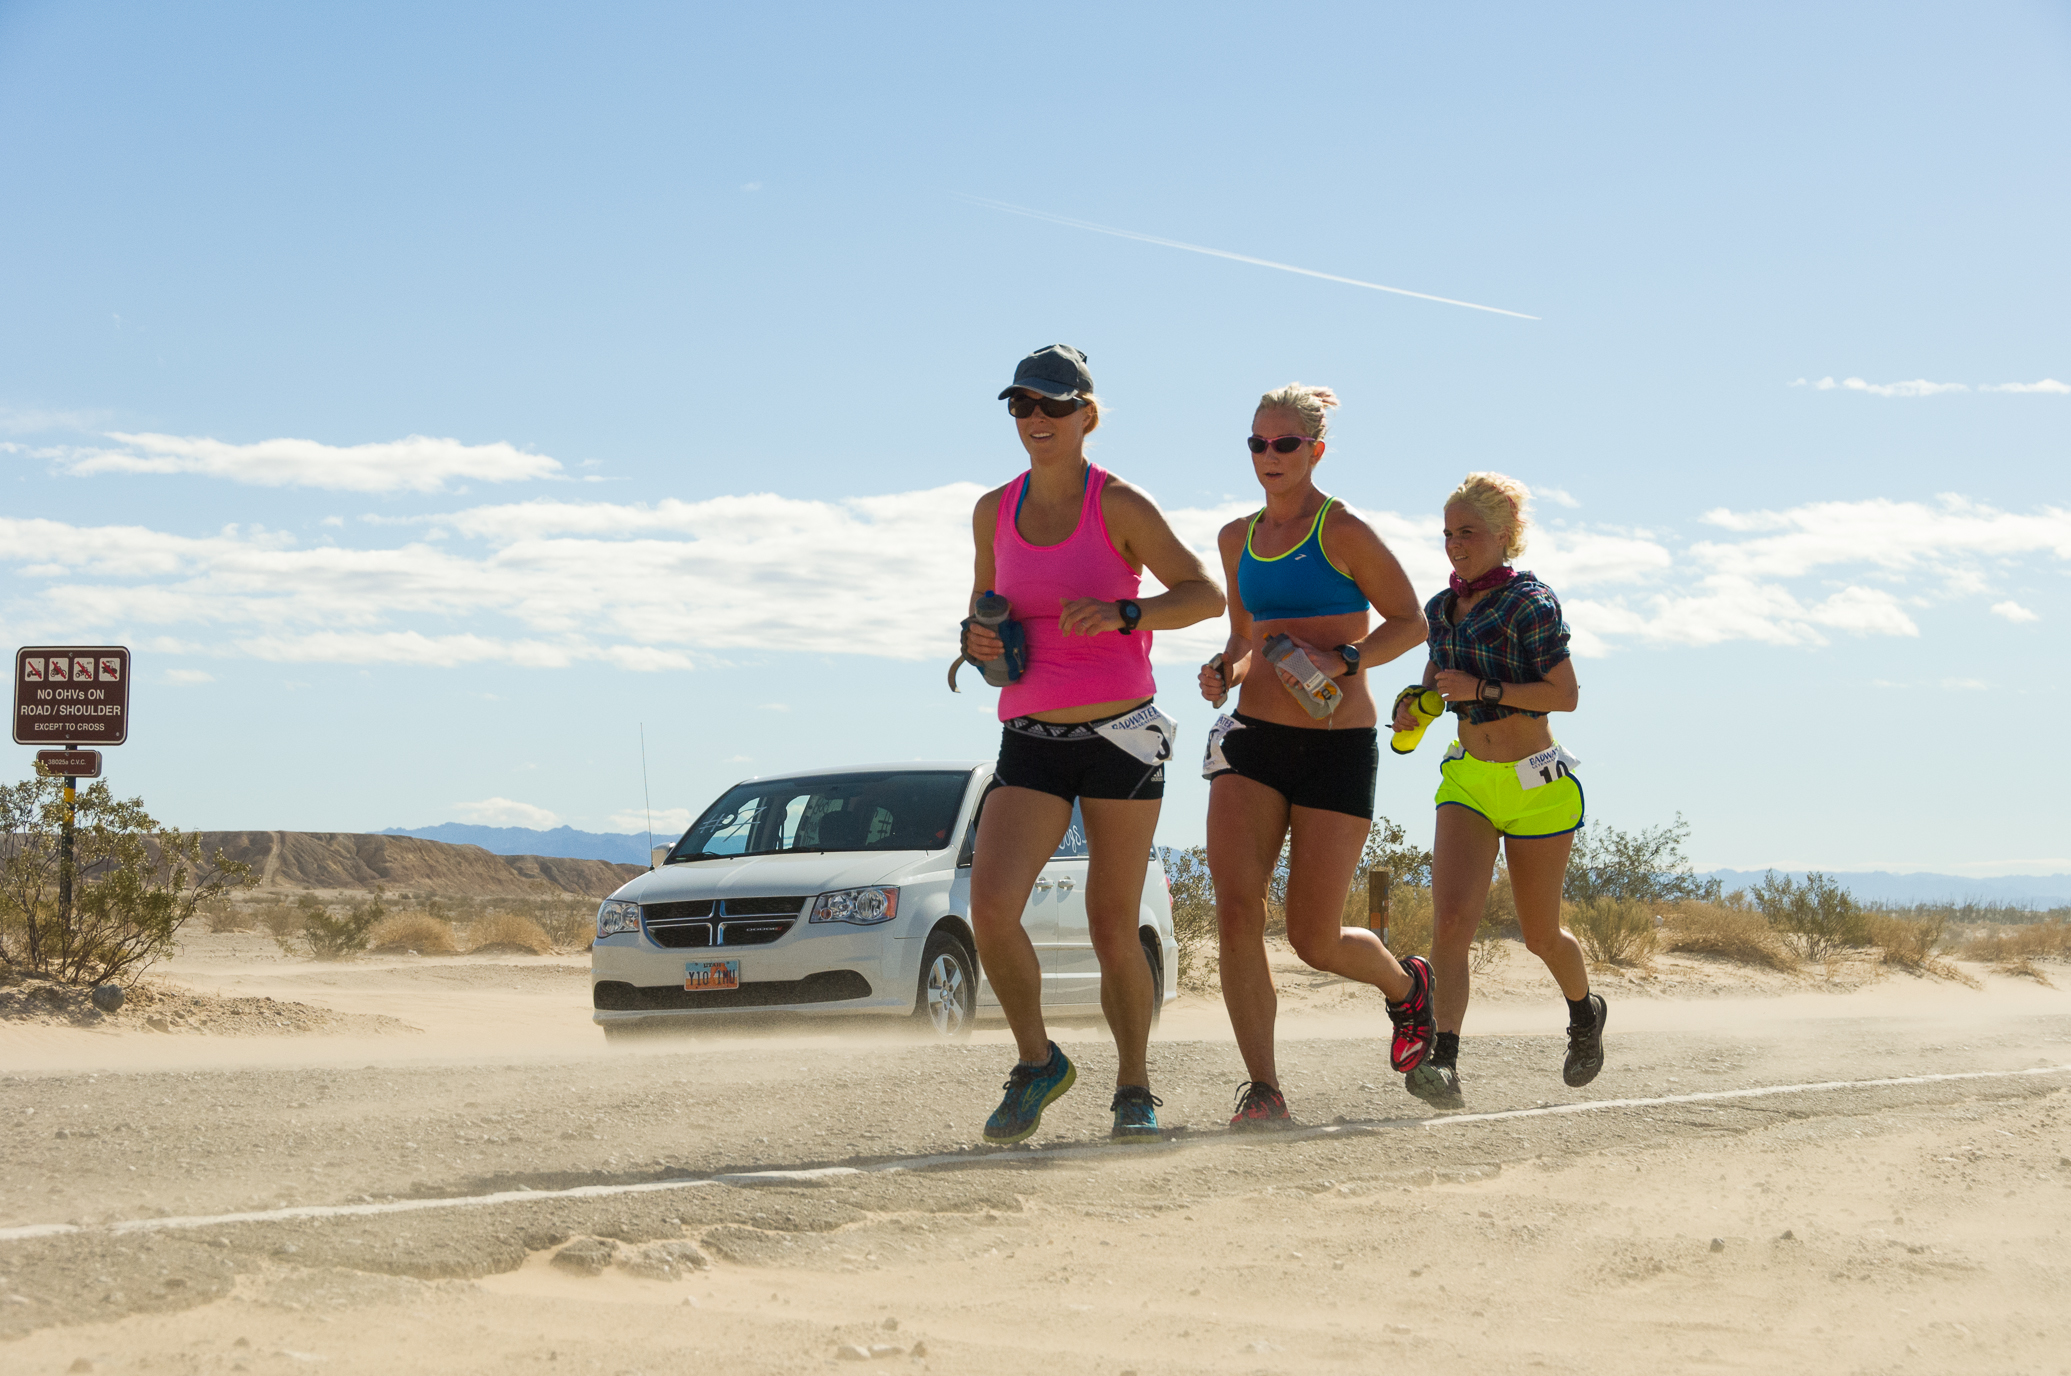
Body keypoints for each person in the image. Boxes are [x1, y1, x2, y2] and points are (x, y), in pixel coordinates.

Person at [962, 344, 1225, 1145]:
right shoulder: (990, 510)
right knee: (990, 907)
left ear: (1086, 414)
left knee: (1112, 919)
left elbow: (1203, 596)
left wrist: (1126, 615)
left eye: (1051, 405)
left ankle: (1134, 1090)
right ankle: (1038, 1062)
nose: (1035, 420)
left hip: (1119, 736)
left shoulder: (1120, 505)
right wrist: (979, 643)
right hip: (1030, 736)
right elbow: (984, 605)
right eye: (1021, 406)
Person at [1196, 384, 1436, 1130]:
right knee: (1236, 912)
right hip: (1251, 743)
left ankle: (1404, 990)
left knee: (1313, 939)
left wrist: (1346, 659)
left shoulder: (1343, 530)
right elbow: (1244, 638)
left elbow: (1411, 621)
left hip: (1336, 748)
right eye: (1257, 444)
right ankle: (1263, 1089)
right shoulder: (1235, 537)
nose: (1269, 457)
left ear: (1314, 451)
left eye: (1285, 445)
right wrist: (1223, 671)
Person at [1392, 472, 1599, 1106]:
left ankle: (1586, 1013)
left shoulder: (1530, 604)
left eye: (1468, 533)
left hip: (1538, 785)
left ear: (1504, 536)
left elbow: (1565, 697)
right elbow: (1434, 689)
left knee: (1540, 934)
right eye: (1447, 533)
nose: (1454, 545)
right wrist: (1413, 710)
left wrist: (1484, 691)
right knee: (1452, 922)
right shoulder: (1440, 610)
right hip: (1470, 782)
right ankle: (1445, 1061)